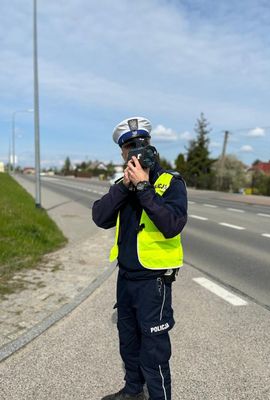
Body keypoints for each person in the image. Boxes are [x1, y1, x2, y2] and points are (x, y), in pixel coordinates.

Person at [92, 117, 187, 400]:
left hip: (153, 280)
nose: (134, 152)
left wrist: (145, 188)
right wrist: (125, 186)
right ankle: (133, 391)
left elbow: (172, 225)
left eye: (140, 145)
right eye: (128, 147)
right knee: (129, 342)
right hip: (126, 277)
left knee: (154, 350)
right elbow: (100, 217)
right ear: (122, 154)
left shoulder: (169, 181)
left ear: (150, 146)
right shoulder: (123, 184)